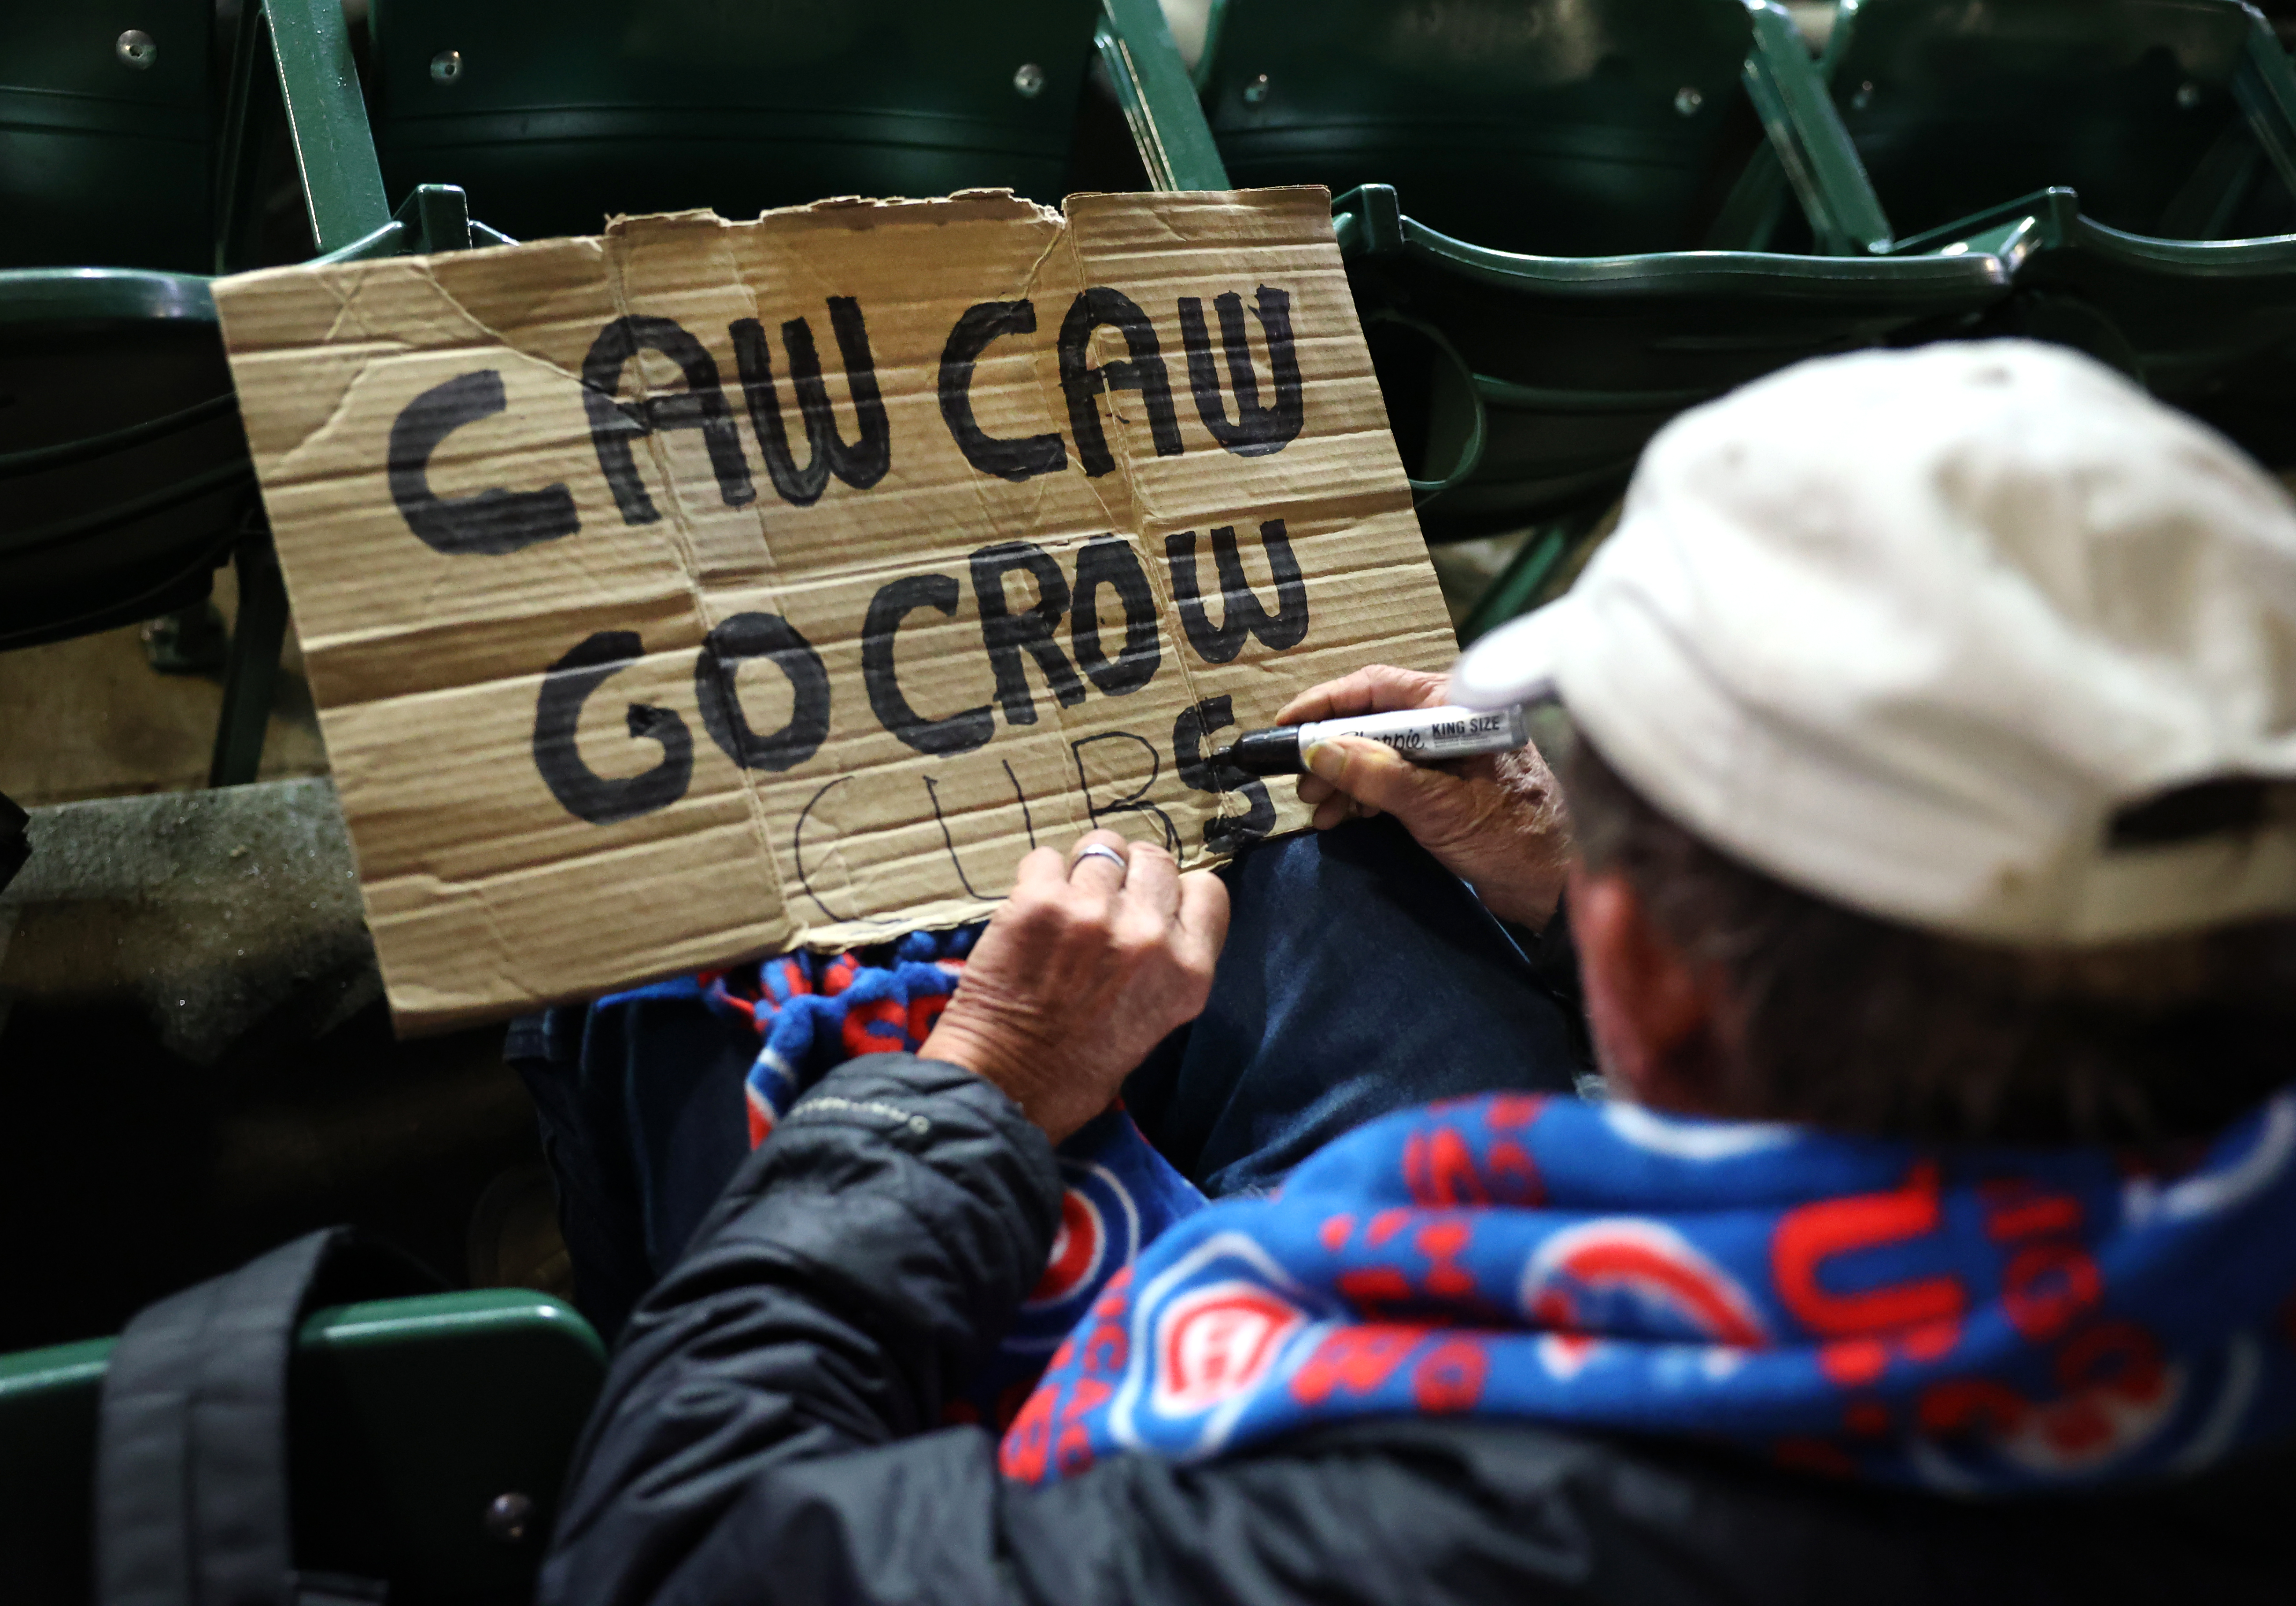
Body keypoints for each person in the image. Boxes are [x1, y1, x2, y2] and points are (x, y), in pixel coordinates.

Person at [535, 341, 2296, 1605]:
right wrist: (1570, 879)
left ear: (1661, 989)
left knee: (625, 998)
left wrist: (966, 1095)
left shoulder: (1425, 1528)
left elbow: (669, 1551)